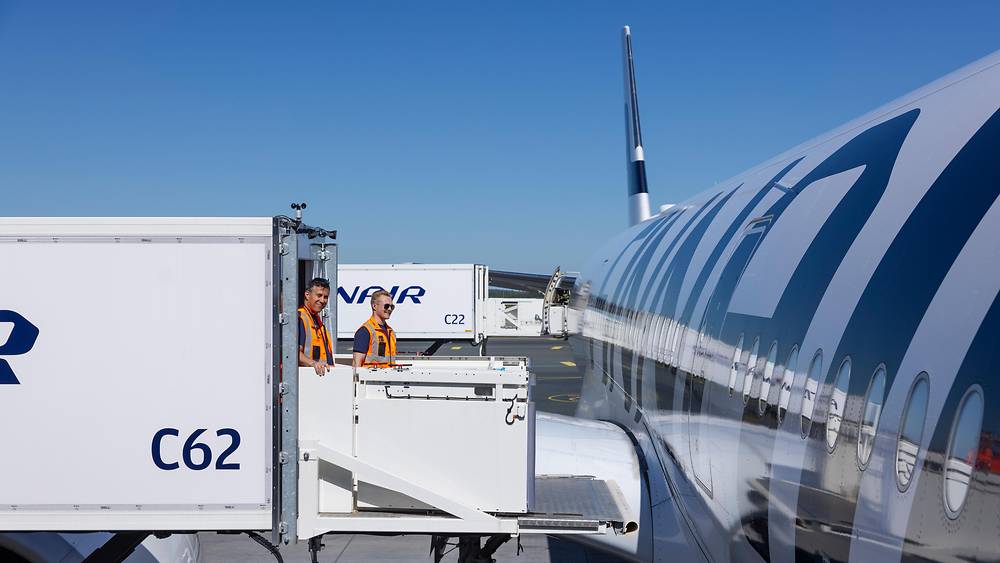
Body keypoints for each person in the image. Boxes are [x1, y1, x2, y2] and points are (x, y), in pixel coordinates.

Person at [298, 278, 334, 375]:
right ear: (307, 295)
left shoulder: (317, 320)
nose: (322, 300)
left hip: (319, 377)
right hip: (305, 377)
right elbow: (293, 354)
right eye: (319, 295)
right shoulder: (300, 318)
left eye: (325, 297)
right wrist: (313, 363)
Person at [353, 289, 397, 368]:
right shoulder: (365, 331)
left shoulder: (391, 332)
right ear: (374, 306)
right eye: (386, 306)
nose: (390, 309)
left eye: (392, 306)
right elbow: (356, 363)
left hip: (389, 375)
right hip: (370, 376)